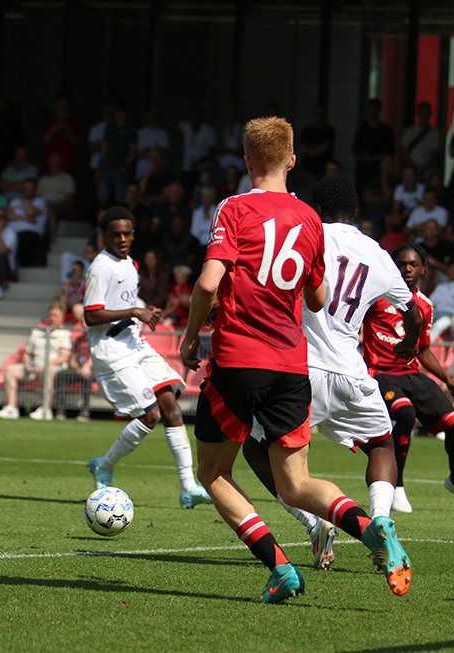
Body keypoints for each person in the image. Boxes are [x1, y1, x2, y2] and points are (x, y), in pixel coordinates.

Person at [180, 116, 411, 603]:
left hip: (240, 359)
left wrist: (189, 337)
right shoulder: (309, 219)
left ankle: (281, 568)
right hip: (291, 366)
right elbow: (319, 297)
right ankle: (371, 530)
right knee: (297, 482)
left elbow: (206, 282)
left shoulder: (234, 207)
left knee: (213, 474)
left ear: (246, 162)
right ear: (291, 160)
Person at [237, 172, 422, 571]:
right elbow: (413, 310)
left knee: (255, 447)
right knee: (382, 445)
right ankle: (383, 519)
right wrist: (409, 344)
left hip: (299, 374)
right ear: (355, 212)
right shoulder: (377, 253)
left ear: (315, 209)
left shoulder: (306, 234)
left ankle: (312, 521)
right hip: (353, 374)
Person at [84, 206, 211, 509]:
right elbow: (91, 315)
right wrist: (134, 311)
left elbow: (125, 302)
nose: (123, 239)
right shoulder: (100, 267)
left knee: (173, 411)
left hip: (135, 344)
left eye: (128, 233)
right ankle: (104, 464)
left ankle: (188, 487)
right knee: (150, 415)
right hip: (112, 351)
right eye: (116, 234)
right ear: (105, 236)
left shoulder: (130, 263)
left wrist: (145, 310)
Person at [361, 242, 454, 515]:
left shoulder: (425, 305)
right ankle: (398, 487)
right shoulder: (376, 298)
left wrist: (446, 378)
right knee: (404, 414)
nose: (406, 268)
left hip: (413, 374)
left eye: (413, 264)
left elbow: (424, 349)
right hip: (381, 374)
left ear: (424, 269)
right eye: (401, 263)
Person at [0, 304, 73, 421]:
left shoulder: (64, 333)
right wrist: (27, 363)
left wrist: (48, 364)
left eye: (56, 316)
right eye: (50, 315)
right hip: (34, 366)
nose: (52, 318)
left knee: (46, 370)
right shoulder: (37, 332)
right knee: (10, 370)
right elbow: (28, 353)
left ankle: (46, 409)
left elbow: (64, 356)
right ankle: (11, 408)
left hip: (53, 367)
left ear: (62, 318)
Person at [400, 101, 442, 182]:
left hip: (427, 170)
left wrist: (423, 168)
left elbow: (434, 153)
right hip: (410, 169)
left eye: (426, 113)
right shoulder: (409, 131)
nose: (424, 116)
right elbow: (404, 150)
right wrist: (413, 167)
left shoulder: (434, 133)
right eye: (421, 113)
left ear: (429, 114)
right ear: (417, 113)